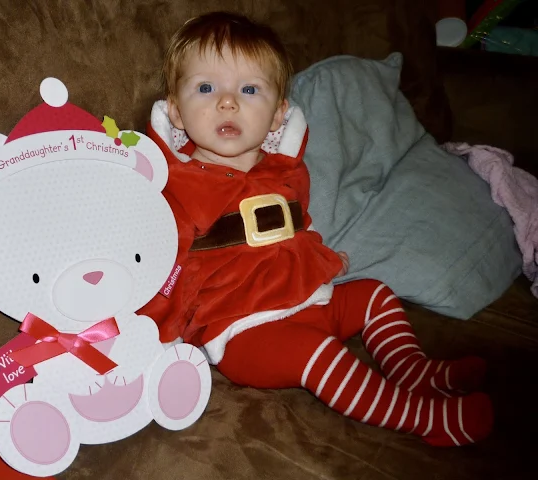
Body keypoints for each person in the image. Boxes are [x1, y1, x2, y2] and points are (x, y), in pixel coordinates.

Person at [138, 11, 493, 447]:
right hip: (246, 334)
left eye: (249, 89)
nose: (227, 102)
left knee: (376, 294)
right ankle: (423, 419)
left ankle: (415, 371)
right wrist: (154, 325)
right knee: (320, 355)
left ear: (276, 116)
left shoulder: (285, 170)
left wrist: (322, 258)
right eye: (206, 88)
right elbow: (161, 260)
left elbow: (294, 225)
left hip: (310, 299)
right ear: (175, 111)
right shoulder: (177, 185)